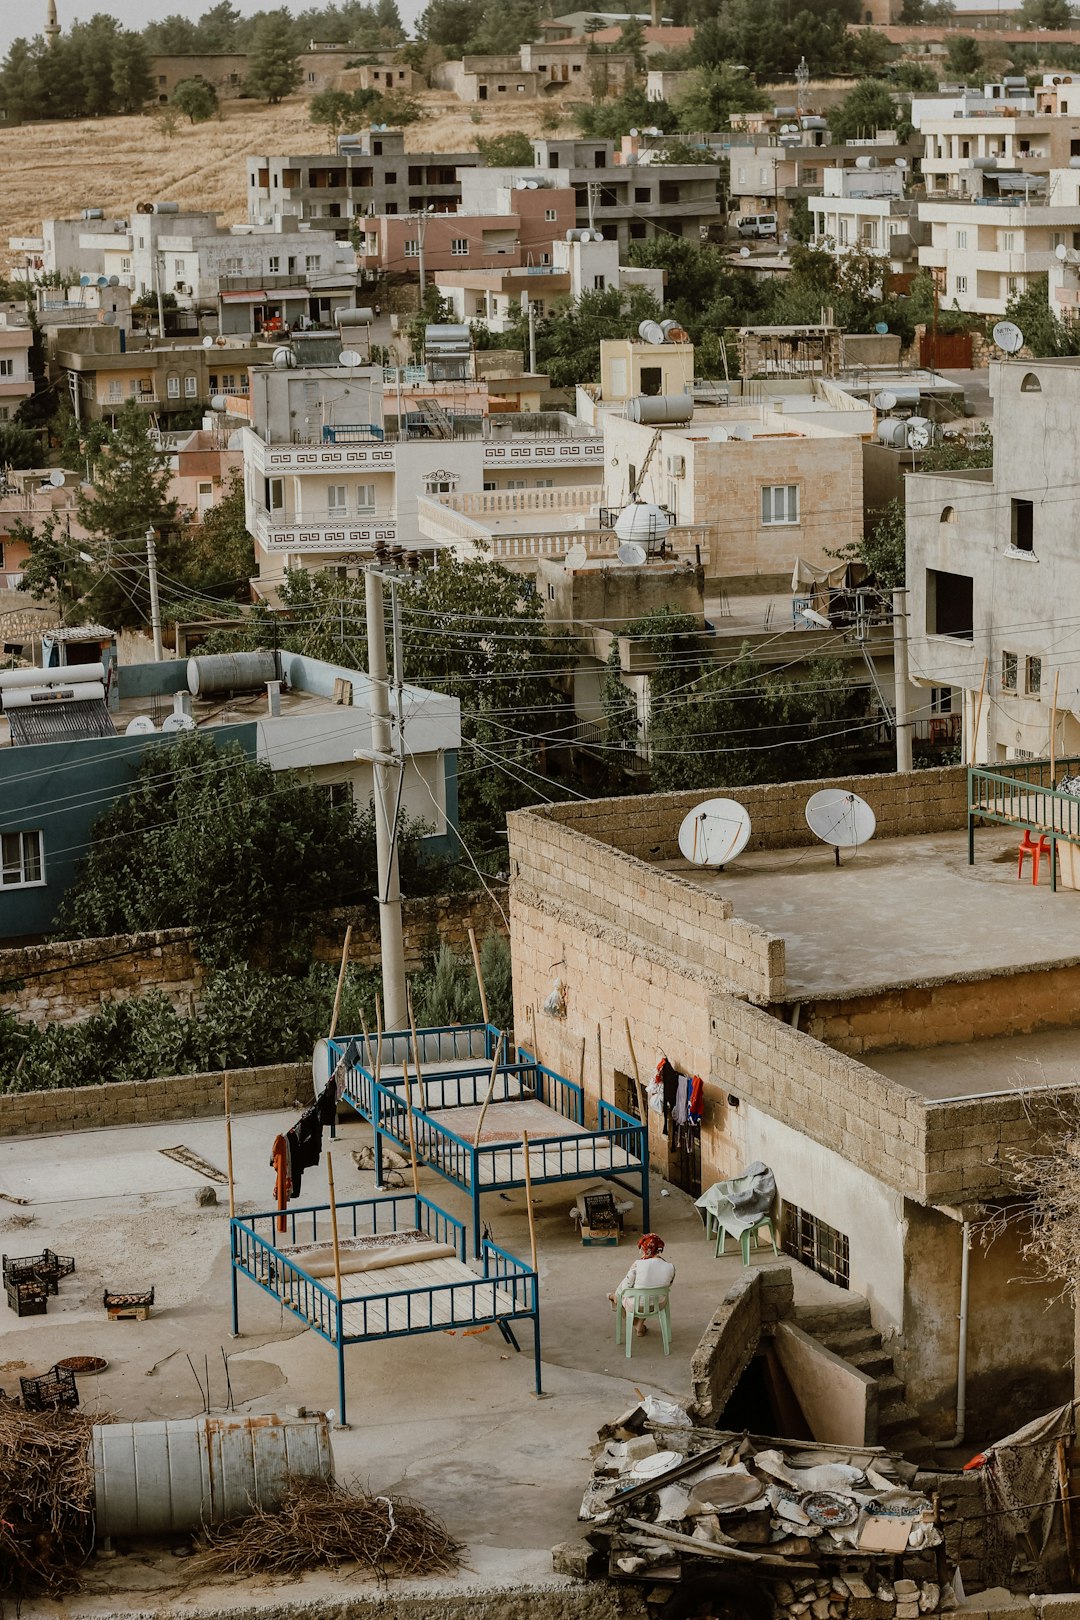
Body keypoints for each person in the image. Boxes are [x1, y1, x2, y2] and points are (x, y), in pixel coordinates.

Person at [608, 1233, 675, 1336]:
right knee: (648, 1293)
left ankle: (634, 1322)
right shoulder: (670, 1267)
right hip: (658, 1304)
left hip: (636, 1305)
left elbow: (625, 1288)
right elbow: (667, 1285)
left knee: (623, 1294)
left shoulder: (638, 1264)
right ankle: (640, 1325)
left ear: (643, 1249)